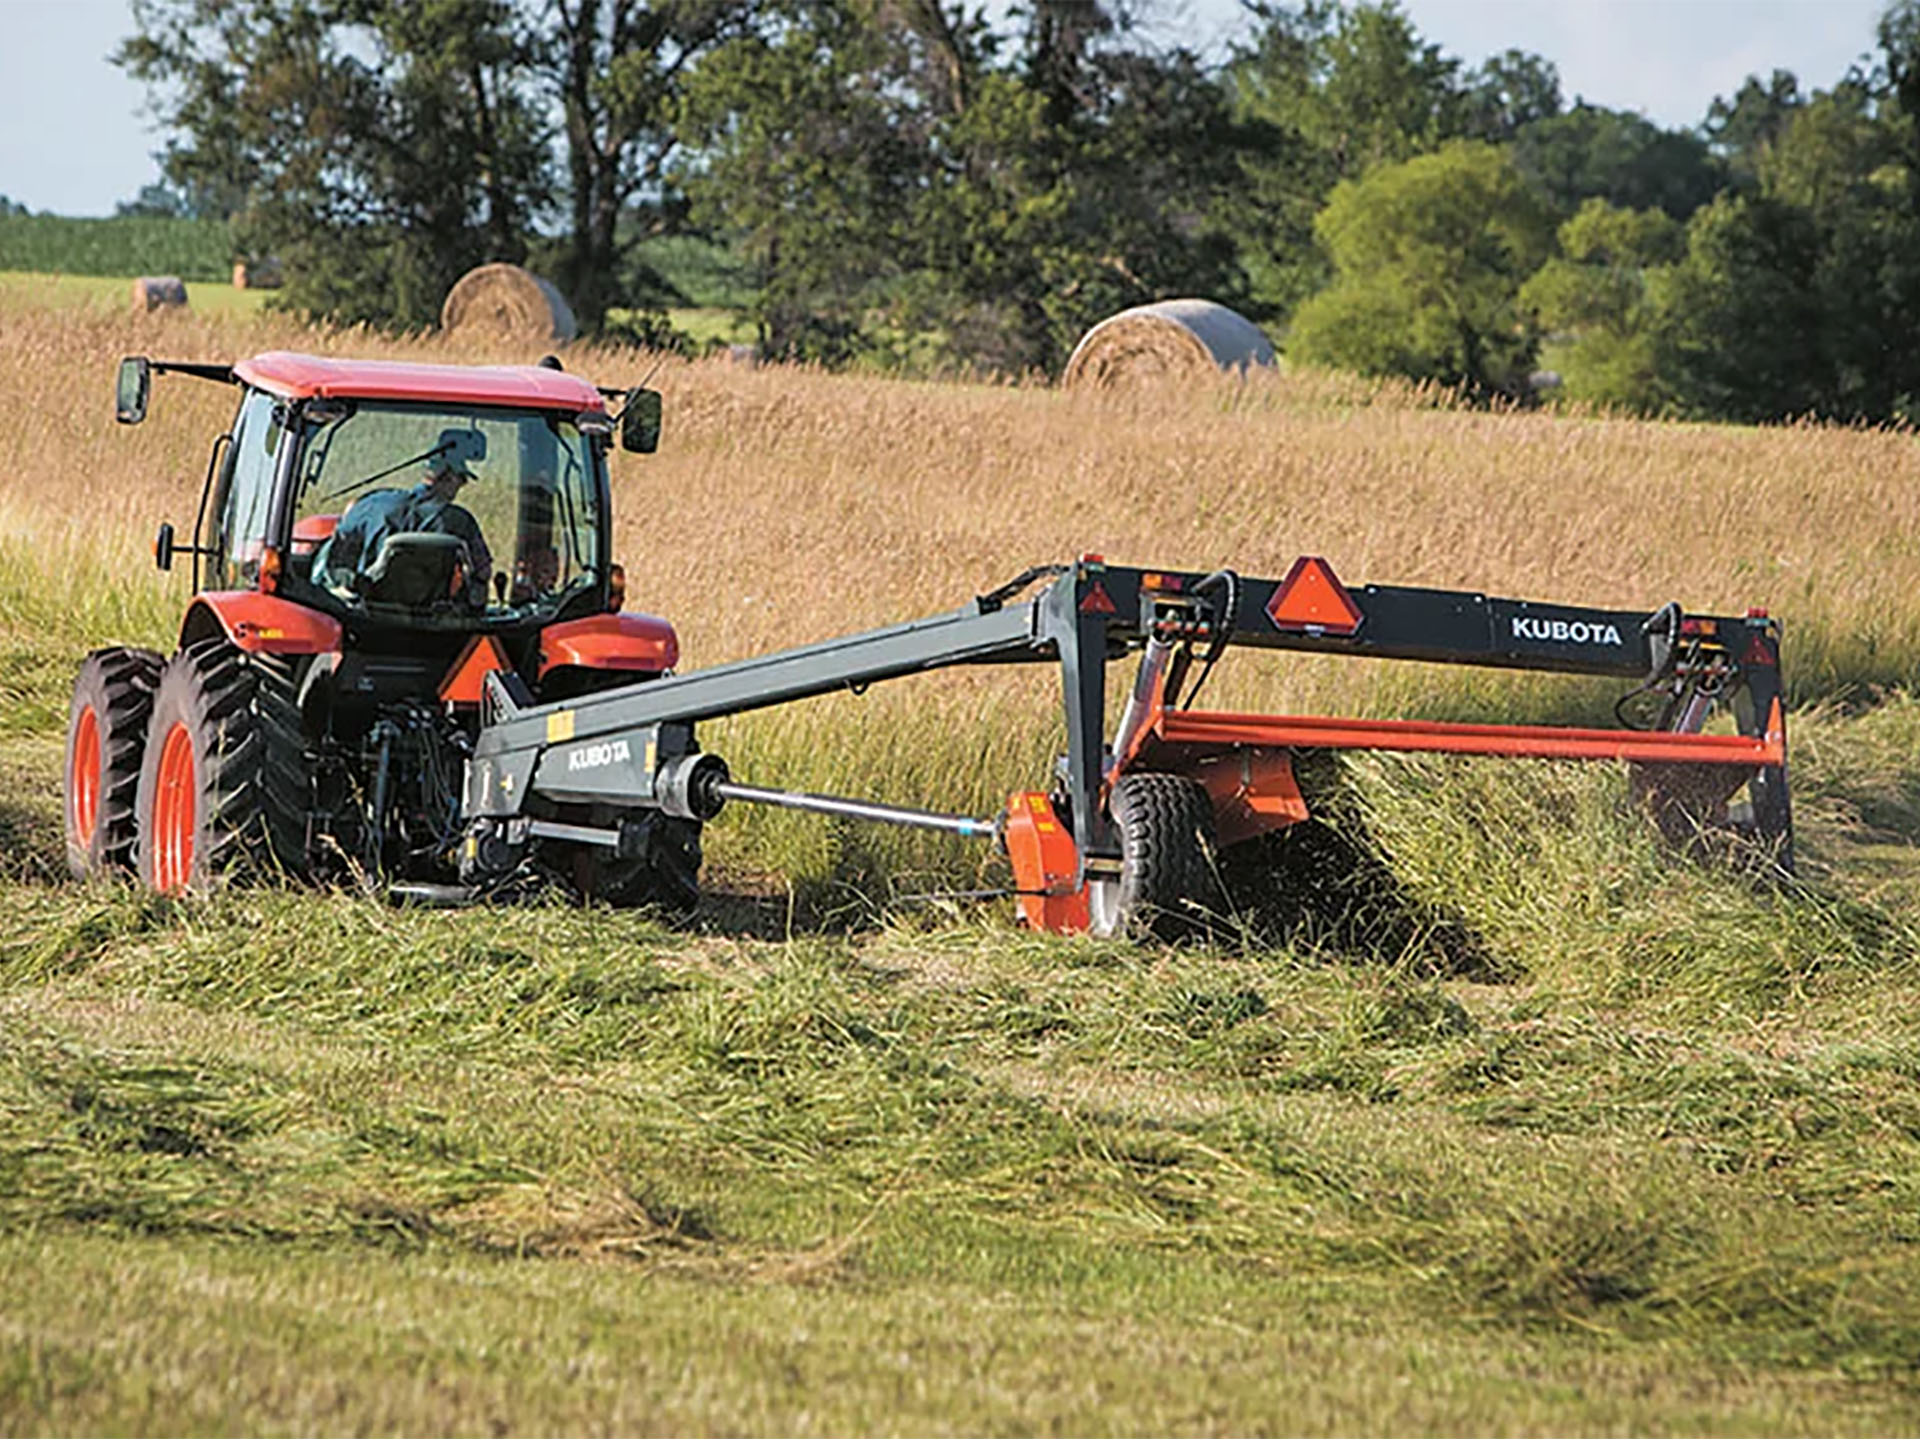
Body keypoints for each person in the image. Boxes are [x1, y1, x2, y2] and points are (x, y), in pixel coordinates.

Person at [315, 430, 493, 605]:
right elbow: (482, 573)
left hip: (366, 619)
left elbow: (336, 557)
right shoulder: (461, 521)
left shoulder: (372, 505)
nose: (460, 487)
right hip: (433, 625)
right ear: (446, 477)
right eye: (461, 480)